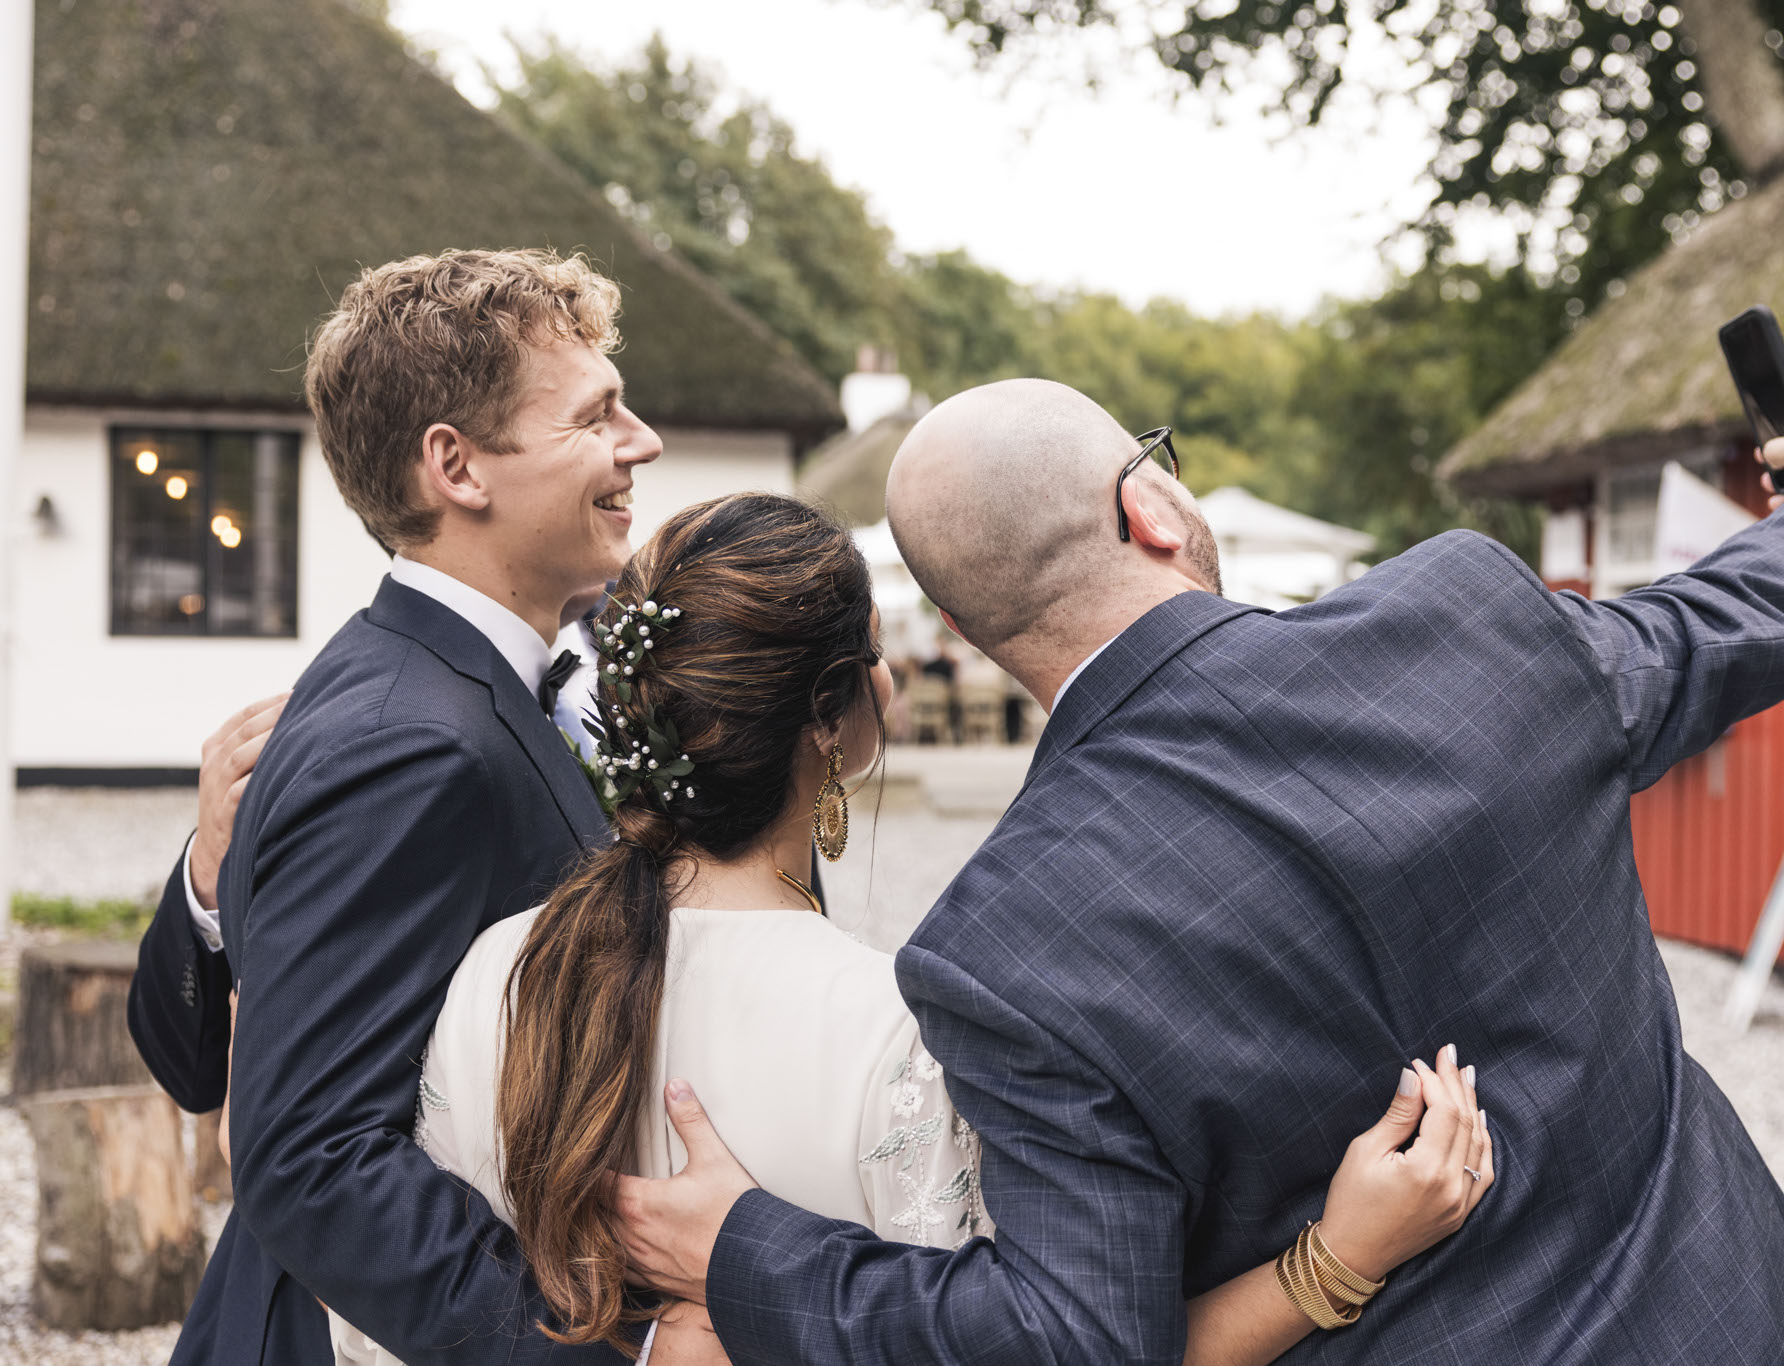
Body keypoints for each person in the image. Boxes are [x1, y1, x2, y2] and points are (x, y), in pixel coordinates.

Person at [612, 380, 1784, 1364]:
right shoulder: (1467, 622)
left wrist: (746, 1248)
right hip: (1737, 1321)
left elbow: (1074, 1337)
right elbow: (1733, 618)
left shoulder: (1000, 947)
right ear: (1150, 506)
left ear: (962, 625)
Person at [301, 491, 1490, 1364]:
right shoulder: (901, 1036)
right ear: (835, 718)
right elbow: (1057, 1347)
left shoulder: (495, 971)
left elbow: (382, 1320)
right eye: (875, 660)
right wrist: (1332, 1259)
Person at [124, 247, 704, 1365]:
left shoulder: (460, 679)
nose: (641, 442)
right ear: (457, 466)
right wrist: (603, 1354)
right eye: (595, 417)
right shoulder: (407, 744)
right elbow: (315, 1160)